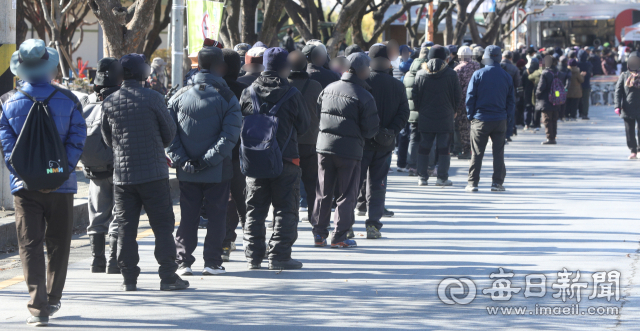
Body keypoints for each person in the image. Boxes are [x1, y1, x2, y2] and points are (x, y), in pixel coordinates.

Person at [0, 39, 86, 326]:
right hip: (61, 185)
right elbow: (77, 141)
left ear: (22, 68)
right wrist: (59, 171)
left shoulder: (7, 102)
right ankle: (53, 297)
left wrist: (26, 172)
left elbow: (7, 147)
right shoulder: (70, 100)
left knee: (29, 245)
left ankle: (38, 308)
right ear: (49, 66)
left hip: (24, 187)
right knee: (60, 242)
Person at [102, 54, 188, 291]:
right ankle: (168, 277)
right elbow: (169, 133)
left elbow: (107, 139)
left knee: (126, 228)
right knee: (162, 227)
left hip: (123, 177)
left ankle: (128, 279)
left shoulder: (109, 102)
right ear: (143, 72)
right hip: (154, 174)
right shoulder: (154, 98)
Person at [166, 47, 242, 276]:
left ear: (198, 64)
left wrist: (184, 160)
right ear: (220, 67)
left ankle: (183, 262)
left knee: (188, 215)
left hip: (186, 170)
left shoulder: (178, 95)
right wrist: (208, 160)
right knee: (218, 215)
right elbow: (230, 135)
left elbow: (169, 134)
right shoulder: (227, 96)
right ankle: (212, 262)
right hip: (217, 169)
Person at [238, 47, 310, 270]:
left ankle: (253, 256)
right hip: (287, 159)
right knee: (285, 208)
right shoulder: (292, 94)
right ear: (284, 67)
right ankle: (279, 255)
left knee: (254, 208)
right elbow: (304, 126)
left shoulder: (248, 92)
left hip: (255, 159)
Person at [312, 52, 379, 247]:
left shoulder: (328, 89)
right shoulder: (364, 95)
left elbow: (318, 114)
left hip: (324, 147)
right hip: (349, 150)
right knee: (347, 193)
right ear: (362, 70)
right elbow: (371, 129)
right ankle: (339, 236)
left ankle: (319, 233)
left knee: (323, 190)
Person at [357, 44, 409, 239]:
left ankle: (346, 224)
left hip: (361, 141)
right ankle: (373, 225)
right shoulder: (397, 85)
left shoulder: (361, 82)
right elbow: (404, 112)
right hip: (385, 143)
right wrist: (391, 131)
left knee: (354, 183)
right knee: (378, 184)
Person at [82, 57, 123, 275]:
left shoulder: (87, 101)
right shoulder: (122, 99)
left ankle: (96, 261)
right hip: (119, 168)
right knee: (119, 214)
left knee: (96, 215)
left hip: (93, 170)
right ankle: (113, 262)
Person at [465, 45, 515, 192]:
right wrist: (508, 119)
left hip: (480, 118)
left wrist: (470, 116)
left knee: (477, 152)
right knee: (498, 152)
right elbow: (511, 101)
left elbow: (470, 98)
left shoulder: (478, 74)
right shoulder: (506, 76)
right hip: (500, 119)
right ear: (500, 57)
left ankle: (473, 183)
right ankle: (497, 183)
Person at [413, 45, 461, 186]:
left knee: (424, 147)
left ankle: (422, 177)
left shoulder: (421, 73)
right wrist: (454, 110)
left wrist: (420, 108)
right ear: (444, 58)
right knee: (444, 148)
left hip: (426, 115)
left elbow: (415, 95)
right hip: (446, 115)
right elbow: (457, 95)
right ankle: (442, 178)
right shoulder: (451, 74)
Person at [287, 51, 323, 223]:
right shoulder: (315, 86)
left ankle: (288, 217)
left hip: (287, 143)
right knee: (312, 184)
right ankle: (314, 218)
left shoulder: (284, 85)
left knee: (287, 184)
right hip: (311, 141)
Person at [220, 49, 249, 261]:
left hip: (215, 154)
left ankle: (225, 243)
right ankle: (253, 241)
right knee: (244, 199)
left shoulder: (211, 89)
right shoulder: (243, 90)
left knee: (222, 200)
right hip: (239, 152)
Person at [403, 47, 428, 176]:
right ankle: (426, 166)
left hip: (411, 112)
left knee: (413, 138)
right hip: (425, 112)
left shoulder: (408, 73)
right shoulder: (426, 73)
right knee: (427, 140)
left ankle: (411, 165)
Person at [454, 46, 481, 159]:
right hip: (478, 101)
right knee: (476, 125)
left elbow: (456, 87)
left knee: (464, 127)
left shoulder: (458, 69)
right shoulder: (478, 66)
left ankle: (466, 150)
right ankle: (476, 149)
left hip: (462, 103)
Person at [536, 55, 567, 145]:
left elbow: (541, 87)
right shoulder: (559, 73)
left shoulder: (545, 73)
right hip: (556, 99)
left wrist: (537, 95)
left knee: (547, 119)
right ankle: (553, 136)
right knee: (554, 119)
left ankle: (550, 138)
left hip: (546, 99)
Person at [615, 51, 640, 159]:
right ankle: (633, 150)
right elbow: (618, 91)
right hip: (627, 107)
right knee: (629, 131)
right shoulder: (624, 75)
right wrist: (617, 105)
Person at [577, 50, 593, 120]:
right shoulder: (588, 64)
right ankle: (585, 114)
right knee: (585, 100)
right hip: (586, 84)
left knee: (578, 100)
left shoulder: (577, 64)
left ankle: (579, 112)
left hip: (578, 84)